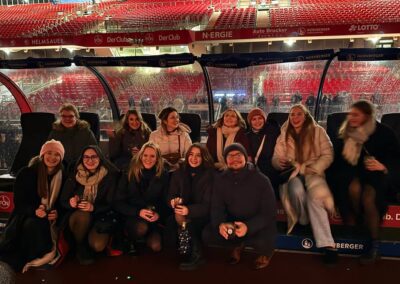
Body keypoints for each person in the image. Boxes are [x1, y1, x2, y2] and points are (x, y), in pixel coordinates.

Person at [327, 100, 400, 264]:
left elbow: (395, 158)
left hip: (378, 175)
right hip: (354, 174)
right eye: (350, 114)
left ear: (366, 116)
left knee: (369, 197)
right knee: (352, 188)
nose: (351, 117)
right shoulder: (346, 133)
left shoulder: (384, 132)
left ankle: (374, 244)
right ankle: (361, 220)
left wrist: (383, 166)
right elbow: (337, 161)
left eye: (355, 114)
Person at [272, 104, 337, 264]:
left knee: (315, 198)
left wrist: (314, 168)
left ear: (306, 116)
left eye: (299, 114)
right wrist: (278, 162)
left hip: (313, 172)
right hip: (293, 173)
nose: (295, 118)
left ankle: (327, 244)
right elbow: (275, 158)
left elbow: (328, 154)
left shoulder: (318, 131)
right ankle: (304, 221)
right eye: (292, 114)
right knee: (296, 189)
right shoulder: (284, 134)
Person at [203, 143, 276, 270]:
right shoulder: (220, 179)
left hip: (257, 224)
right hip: (234, 222)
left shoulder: (262, 180)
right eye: (230, 156)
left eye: (238, 155)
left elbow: (269, 213)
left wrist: (248, 227)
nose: (234, 158)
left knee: (263, 241)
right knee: (208, 233)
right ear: (225, 160)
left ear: (246, 158)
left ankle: (266, 252)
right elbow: (217, 207)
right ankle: (237, 244)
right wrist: (221, 224)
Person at [0, 140, 65, 272]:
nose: (52, 157)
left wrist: (57, 212)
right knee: (32, 224)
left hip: (52, 219)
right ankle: (32, 256)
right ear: (42, 155)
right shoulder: (26, 173)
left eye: (57, 154)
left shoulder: (63, 175)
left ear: (61, 157)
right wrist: (35, 211)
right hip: (26, 216)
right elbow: (19, 203)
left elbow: (62, 202)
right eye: (49, 153)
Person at [61, 145, 118, 265]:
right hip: (77, 218)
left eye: (93, 157)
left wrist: (94, 207)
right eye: (86, 157)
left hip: (99, 217)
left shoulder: (109, 176)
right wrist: (71, 203)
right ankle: (80, 246)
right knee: (83, 215)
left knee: (98, 246)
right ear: (81, 159)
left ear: (100, 158)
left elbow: (112, 203)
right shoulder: (75, 174)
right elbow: (63, 201)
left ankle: (87, 241)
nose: (90, 160)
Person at [114, 142, 170, 254]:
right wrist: (138, 212)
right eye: (145, 155)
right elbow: (117, 202)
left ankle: (142, 237)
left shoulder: (163, 174)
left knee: (156, 246)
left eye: (152, 156)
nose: (148, 159)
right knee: (140, 228)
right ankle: (130, 238)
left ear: (158, 158)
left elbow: (166, 202)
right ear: (140, 156)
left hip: (152, 216)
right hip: (132, 214)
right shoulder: (128, 171)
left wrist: (158, 214)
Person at [167, 143, 214, 271]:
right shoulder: (179, 172)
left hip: (203, 214)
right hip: (182, 212)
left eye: (198, 155)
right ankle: (190, 250)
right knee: (178, 213)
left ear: (204, 158)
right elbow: (170, 195)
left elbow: (208, 205)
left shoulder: (210, 175)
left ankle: (194, 253)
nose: (194, 158)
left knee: (182, 215)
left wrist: (189, 210)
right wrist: (173, 201)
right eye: (191, 155)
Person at [48, 103, 97, 168]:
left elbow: (94, 150)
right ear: (60, 117)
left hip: (83, 165)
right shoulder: (55, 132)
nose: (67, 119)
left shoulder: (86, 131)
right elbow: (48, 151)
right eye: (64, 116)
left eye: (71, 116)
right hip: (60, 166)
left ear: (76, 117)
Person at [245, 108, 281, 195]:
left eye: (260, 118)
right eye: (254, 119)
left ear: (264, 119)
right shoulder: (246, 136)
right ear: (250, 122)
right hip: (252, 169)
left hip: (270, 169)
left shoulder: (274, 132)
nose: (257, 121)